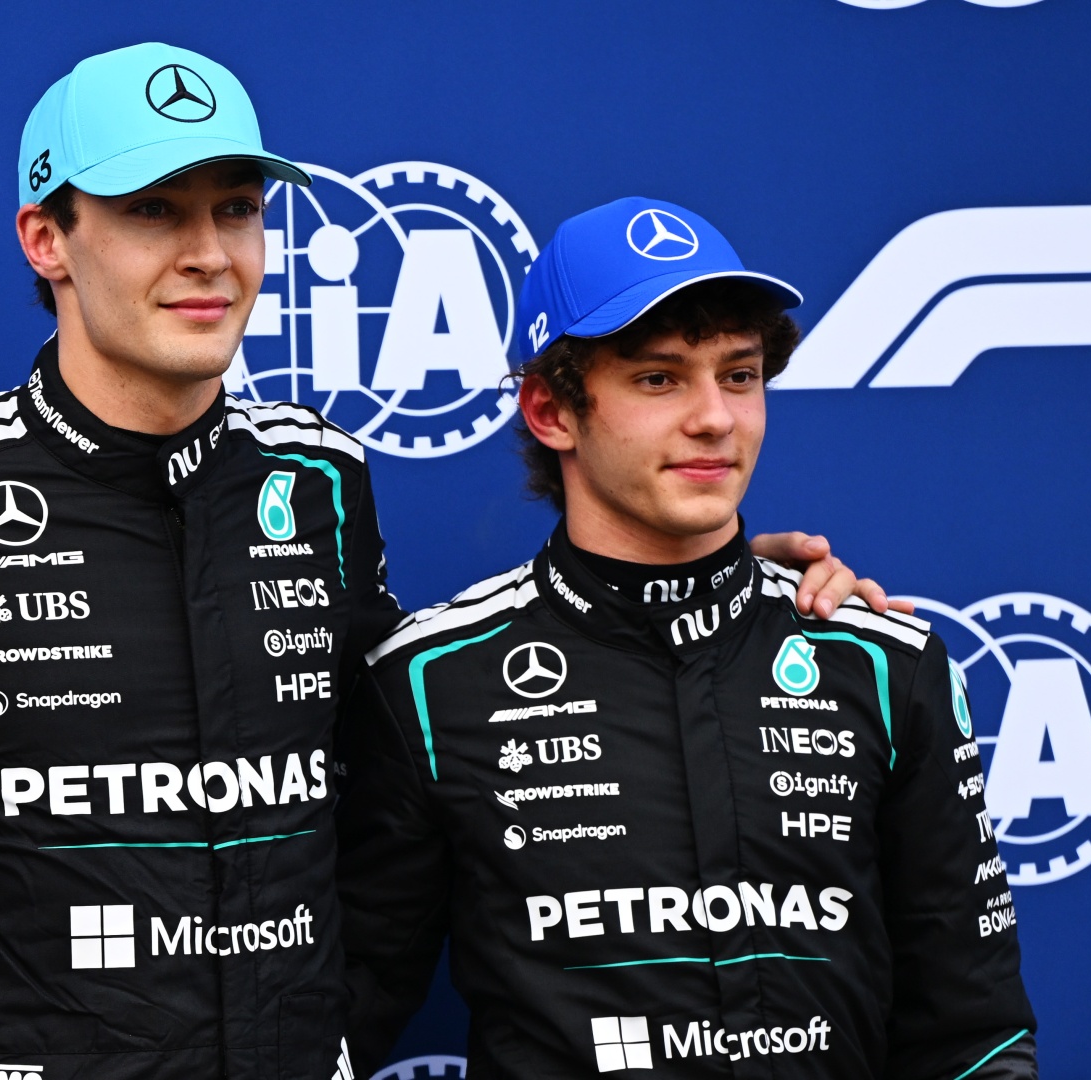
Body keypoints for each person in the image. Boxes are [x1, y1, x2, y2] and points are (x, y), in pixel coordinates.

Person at [0, 48, 898, 1080]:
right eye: (153, 213)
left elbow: (425, 738)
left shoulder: (319, 482)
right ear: (47, 238)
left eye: (237, 210)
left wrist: (719, 595)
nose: (209, 253)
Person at [336, 198, 1036, 1080]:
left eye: (738, 376)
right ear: (552, 411)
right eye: (660, 379)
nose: (716, 419)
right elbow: (337, 1018)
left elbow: (976, 1032)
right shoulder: (432, 686)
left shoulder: (885, 665)